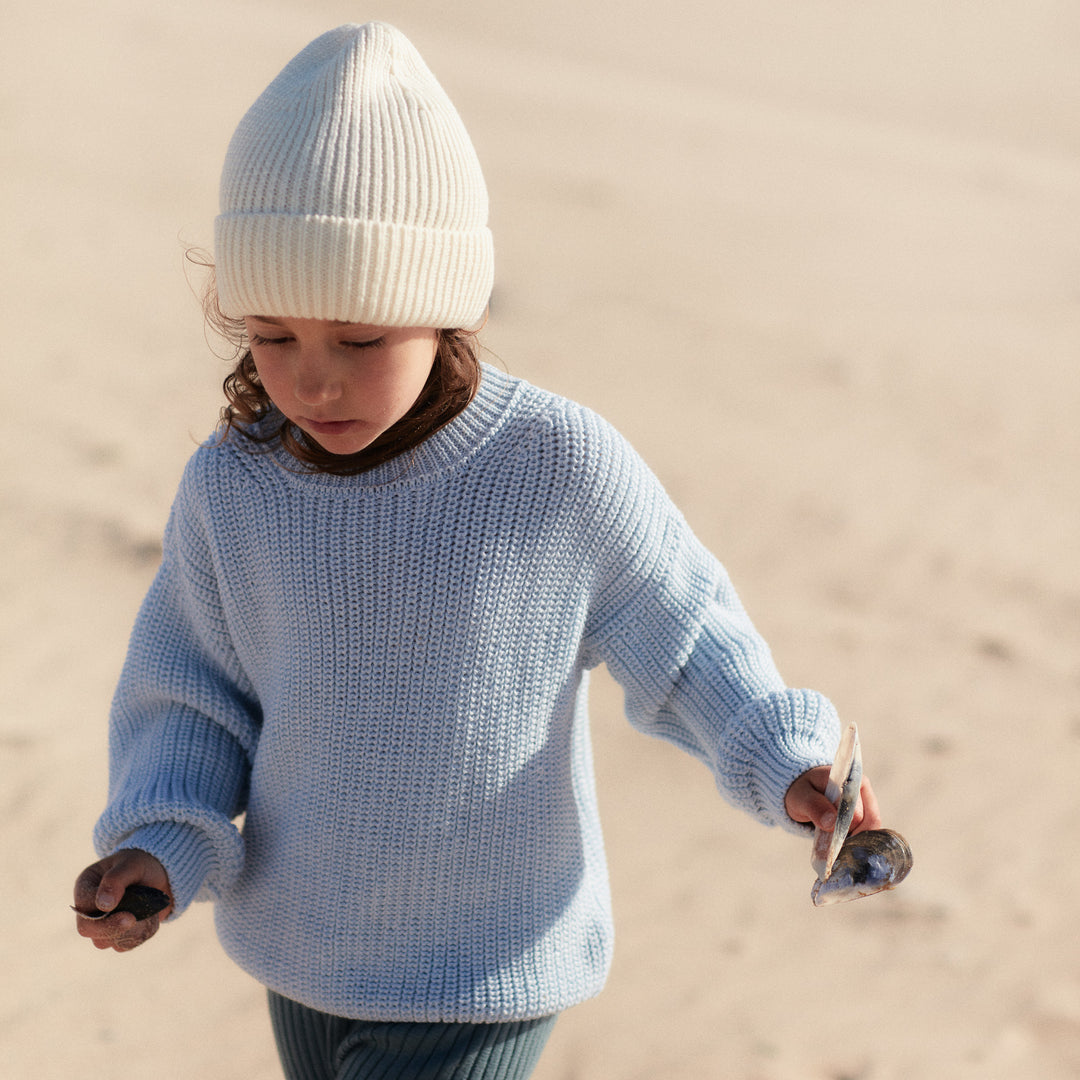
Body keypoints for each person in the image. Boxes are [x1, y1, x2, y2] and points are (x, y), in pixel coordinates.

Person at [73, 21, 882, 1080]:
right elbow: (194, 696)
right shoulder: (237, 486)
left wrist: (788, 763)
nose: (312, 380)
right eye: (271, 336)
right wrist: (160, 845)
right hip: (305, 954)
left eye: (360, 341)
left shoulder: (557, 467)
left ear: (445, 308)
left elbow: (684, 640)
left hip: (487, 969)